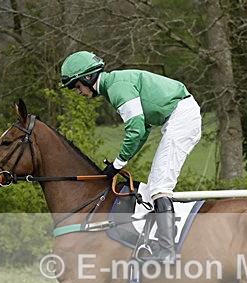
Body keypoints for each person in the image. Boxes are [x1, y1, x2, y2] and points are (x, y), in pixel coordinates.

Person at [60, 51, 202, 264]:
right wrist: (120, 162)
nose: (78, 92)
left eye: (77, 86)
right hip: (177, 117)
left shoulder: (117, 87)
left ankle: (168, 251)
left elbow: (135, 129)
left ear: (88, 78)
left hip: (181, 118)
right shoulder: (113, 86)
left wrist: (117, 164)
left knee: (160, 186)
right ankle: (155, 241)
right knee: (154, 185)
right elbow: (143, 129)